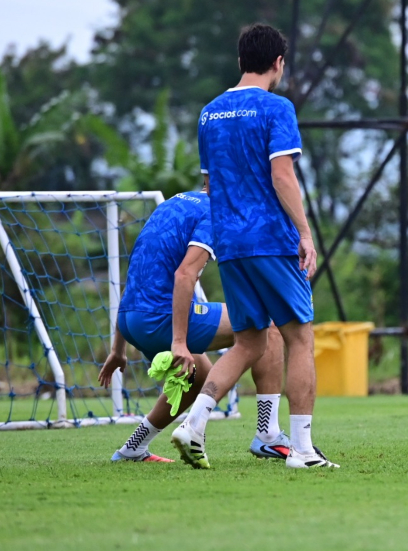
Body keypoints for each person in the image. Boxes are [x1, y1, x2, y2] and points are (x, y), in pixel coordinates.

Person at [171, 23, 335, 469]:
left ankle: (194, 423)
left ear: (241, 60)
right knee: (299, 337)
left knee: (248, 342)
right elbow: (282, 175)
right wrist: (304, 232)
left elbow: (209, 182)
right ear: (278, 63)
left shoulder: (210, 112)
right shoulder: (276, 108)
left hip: (228, 241)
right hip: (270, 238)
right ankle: (301, 450)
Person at [98, 190, 292, 462]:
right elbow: (185, 274)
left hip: (130, 318)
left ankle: (133, 447)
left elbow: (137, 274)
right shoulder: (216, 212)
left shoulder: (172, 204)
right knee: (265, 324)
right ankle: (268, 435)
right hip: (159, 318)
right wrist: (179, 341)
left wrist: (118, 349)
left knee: (198, 374)